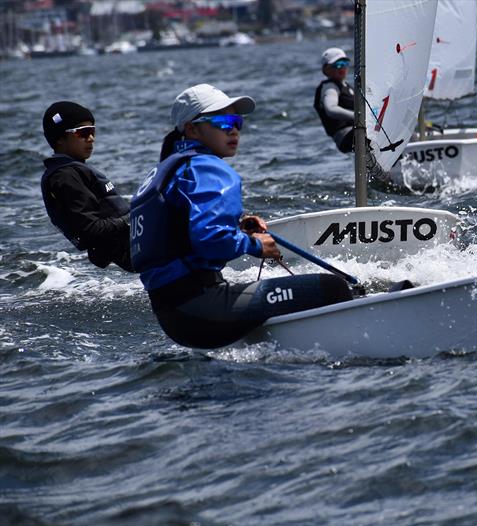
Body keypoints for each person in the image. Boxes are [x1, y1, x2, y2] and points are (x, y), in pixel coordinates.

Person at [131, 84, 353, 349]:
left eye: (236, 121)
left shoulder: (166, 170)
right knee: (333, 288)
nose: (233, 129)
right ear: (192, 129)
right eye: (222, 121)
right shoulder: (208, 167)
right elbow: (211, 240)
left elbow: (180, 232)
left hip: (172, 317)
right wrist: (256, 245)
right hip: (204, 308)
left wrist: (238, 225)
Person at [41, 101, 134, 271]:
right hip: (134, 249)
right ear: (60, 138)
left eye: (92, 131)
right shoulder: (65, 177)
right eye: (83, 133)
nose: (91, 138)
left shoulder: (73, 170)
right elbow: (91, 230)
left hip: (136, 241)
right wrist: (135, 217)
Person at [314, 47, 356, 153]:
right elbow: (331, 109)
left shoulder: (348, 87)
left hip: (358, 132)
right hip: (346, 137)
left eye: (344, 63)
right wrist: (359, 117)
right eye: (337, 65)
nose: (342, 68)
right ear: (326, 70)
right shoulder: (330, 87)